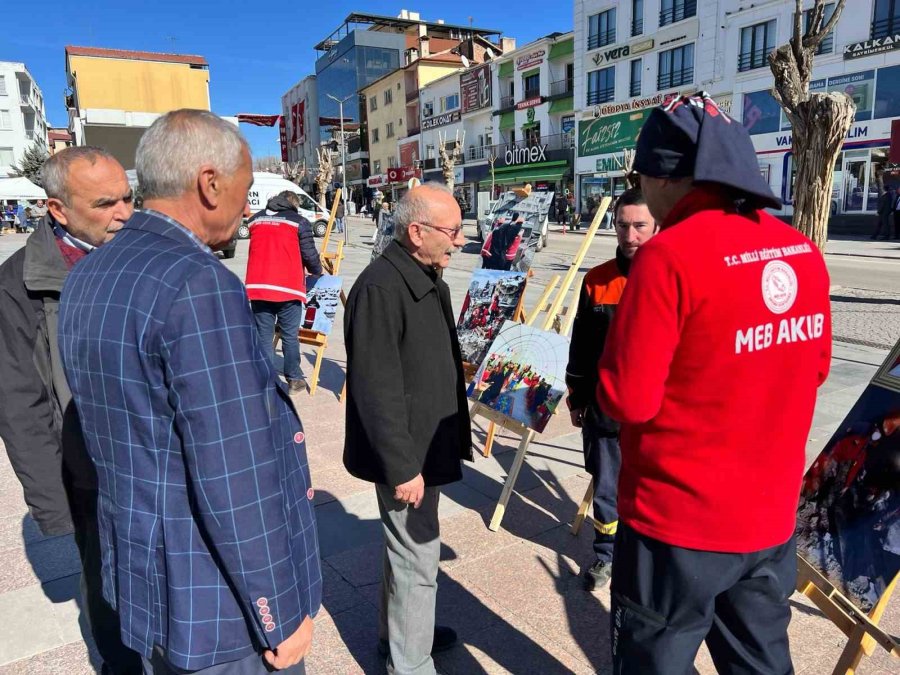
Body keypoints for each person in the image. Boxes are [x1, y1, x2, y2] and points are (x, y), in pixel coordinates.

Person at [58, 110, 321, 675]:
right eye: (245, 190)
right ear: (209, 183)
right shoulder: (199, 283)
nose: (247, 207)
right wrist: (280, 612)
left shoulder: (88, 272)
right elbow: (235, 472)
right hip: (219, 609)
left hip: (142, 580)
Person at [597, 92, 832, 674]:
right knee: (760, 664)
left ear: (665, 178)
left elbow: (628, 397)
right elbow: (818, 367)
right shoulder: (802, 252)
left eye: (644, 178)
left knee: (654, 661)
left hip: (677, 525)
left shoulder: (668, 256)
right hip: (769, 518)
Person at [0, 147, 140, 674]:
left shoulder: (140, 252)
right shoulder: (17, 287)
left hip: (158, 462)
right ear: (58, 210)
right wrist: (56, 506)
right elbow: (19, 405)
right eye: (105, 203)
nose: (124, 212)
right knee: (108, 586)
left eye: (127, 197)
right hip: (92, 474)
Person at [344, 182, 472, 675]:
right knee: (417, 559)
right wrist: (402, 466)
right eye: (452, 231)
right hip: (408, 456)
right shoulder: (382, 287)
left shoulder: (422, 274)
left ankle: (396, 635)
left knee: (407, 552)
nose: (459, 241)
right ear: (416, 232)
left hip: (425, 444)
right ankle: (409, 663)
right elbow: (375, 388)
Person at [565, 187, 657, 591]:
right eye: (623, 226)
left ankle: (648, 558)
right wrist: (577, 396)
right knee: (607, 487)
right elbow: (581, 346)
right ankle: (606, 555)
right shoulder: (597, 281)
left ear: (656, 226)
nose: (631, 236)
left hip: (658, 414)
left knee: (653, 491)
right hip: (606, 409)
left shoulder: (671, 276)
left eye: (640, 226)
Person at [245, 190, 323, 393]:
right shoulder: (298, 221)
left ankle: (266, 380)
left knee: (263, 335)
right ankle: (295, 379)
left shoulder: (255, 220)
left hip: (258, 286)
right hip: (287, 287)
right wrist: (318, 271)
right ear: (293, 205)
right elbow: (309, 254)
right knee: (289, 335)